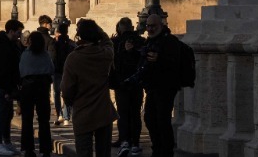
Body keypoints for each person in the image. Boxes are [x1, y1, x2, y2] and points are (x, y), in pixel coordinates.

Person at [127, 10, 194, 157]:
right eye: (148, 25)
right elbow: (144, 61)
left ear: (161, 25)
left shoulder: (170, 41)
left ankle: (166, 152)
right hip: (153, 87)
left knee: (162, 120)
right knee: (150, 118)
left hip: (166, 87)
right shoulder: (151, 41)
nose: (149, 28)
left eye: (153, 26)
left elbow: (174, 63)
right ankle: (157, 149)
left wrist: (159, 58)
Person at [59, 20, 115, 157]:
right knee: (104, 152)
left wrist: (70, 102)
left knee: (84, 152)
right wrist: (99, 30)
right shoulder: (105, 54)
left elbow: (66, 89)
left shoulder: (73, 58)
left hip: (82, 112)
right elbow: (108, 42)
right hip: (103, 111)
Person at [0, 19, 24, 156]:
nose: (20, 35)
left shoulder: (11, 44)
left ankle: (6, 142)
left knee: (7, 114)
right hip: (3, 85)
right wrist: (8, 89)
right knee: (1, 114)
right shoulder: (4, 46)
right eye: (18, 32)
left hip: (8, 84)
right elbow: (5, 69)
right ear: (11, 31)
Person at [16, 30, 54, 157]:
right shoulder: (45, 55)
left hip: (27, 87)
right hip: (42, 87)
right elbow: (51, 69)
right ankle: (46, 149)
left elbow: (21, 71)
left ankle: (28, 149)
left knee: (27, 119)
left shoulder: (26, 55)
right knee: (44, 120)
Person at [109, 19, 143, 155]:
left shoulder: (115, 43)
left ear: (119, 29)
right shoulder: (140, 41)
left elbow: (113, 63)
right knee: (135, 113)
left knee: (123, 113)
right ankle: (135, 142)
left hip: (121, 83)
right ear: (132, 27)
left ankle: (124, 141)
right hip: (136, 83)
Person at [49, 22, 74, 127]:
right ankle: (66, 117)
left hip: (57, 71)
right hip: (67, 71)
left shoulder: (54, 44)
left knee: (57, 93)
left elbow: (52, 57)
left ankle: (59, 114)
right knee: (66, 94)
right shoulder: (71, 44)